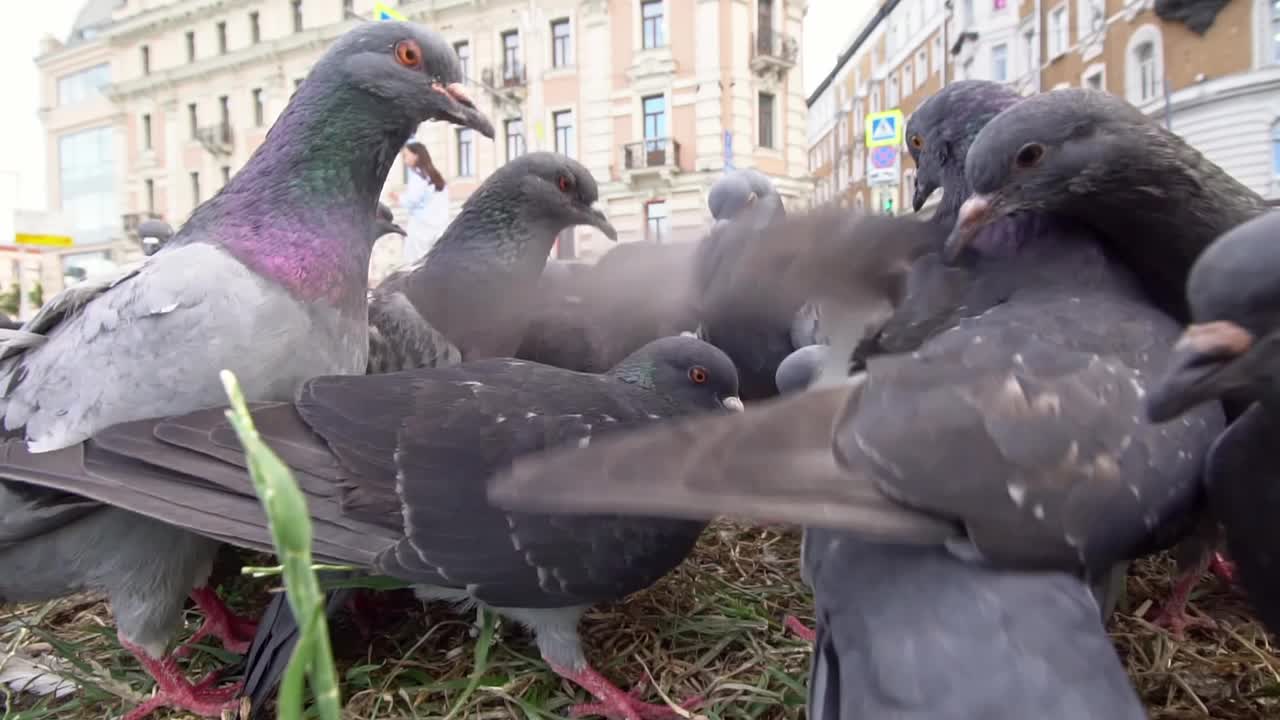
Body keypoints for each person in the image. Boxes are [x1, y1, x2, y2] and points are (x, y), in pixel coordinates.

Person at [390, 140, 449, 261]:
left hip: (420, 229)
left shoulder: (418, 177)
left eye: (406, 156)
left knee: (415, 263)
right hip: (439, 227)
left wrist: (397, 198)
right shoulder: (436, 177)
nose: (404, 160)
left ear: (416, 155)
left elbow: (412, 201)